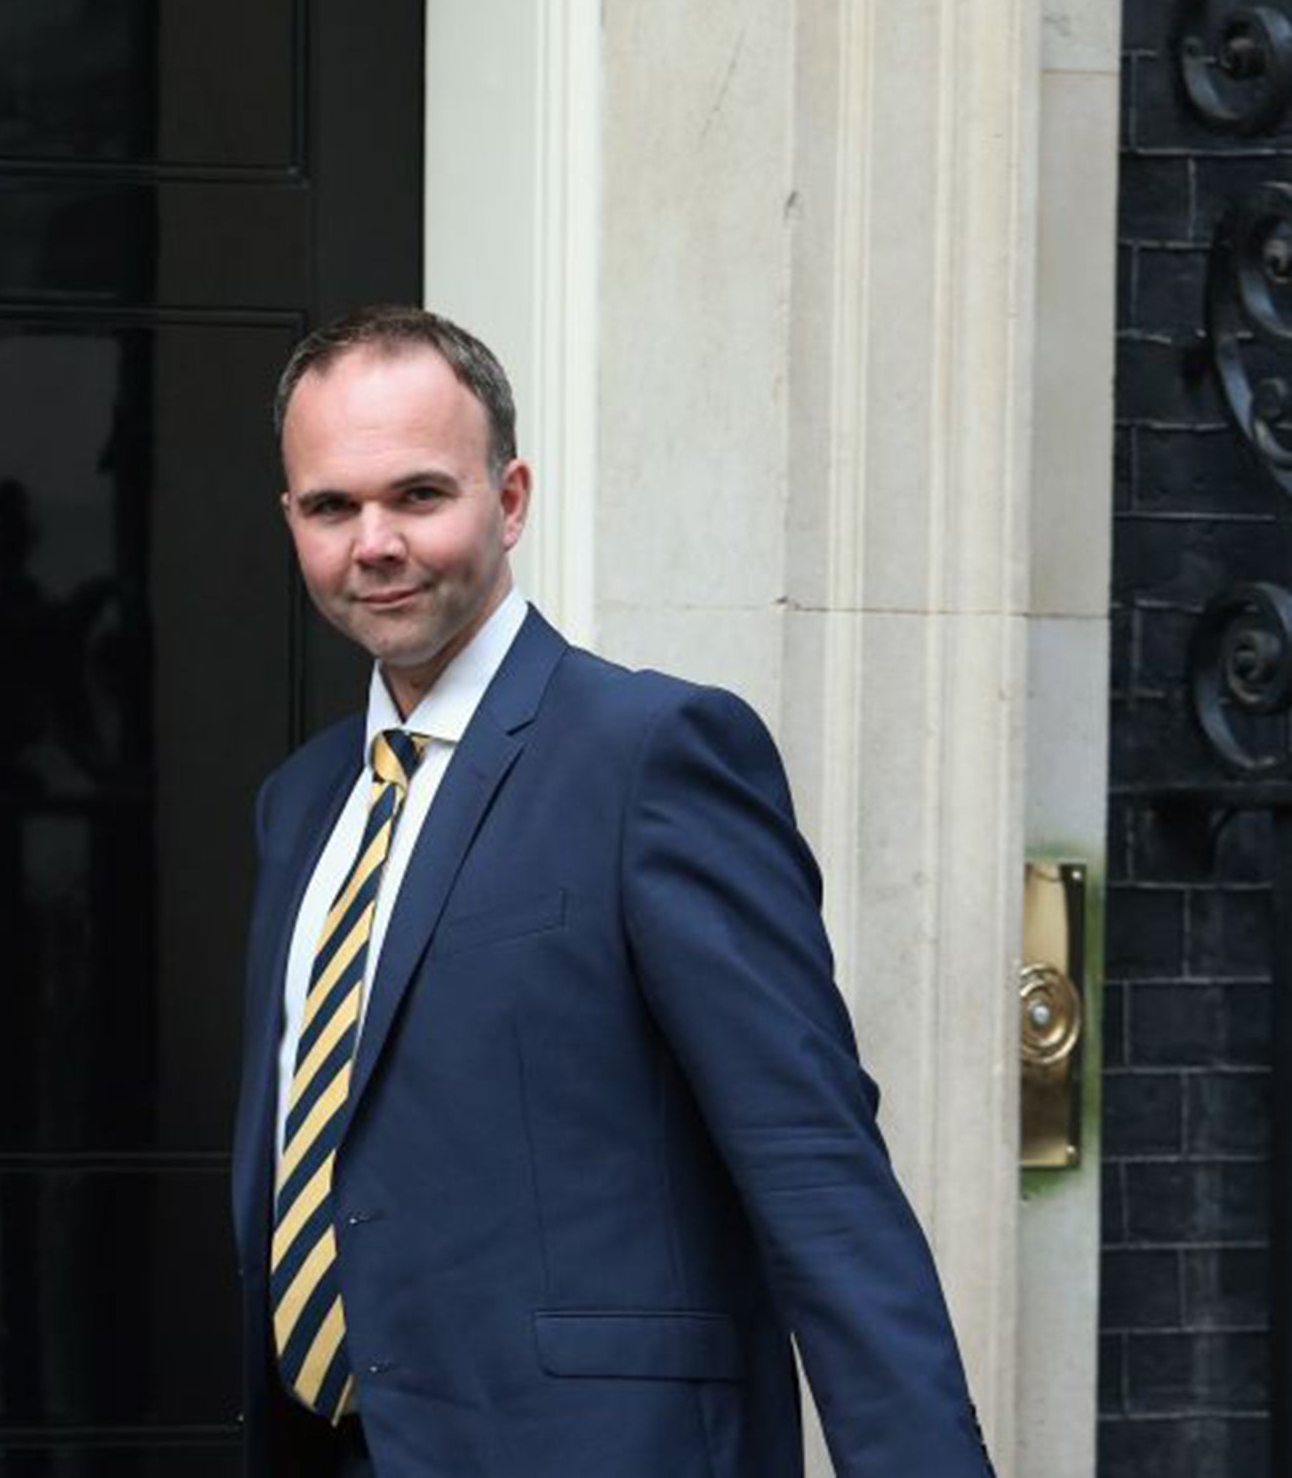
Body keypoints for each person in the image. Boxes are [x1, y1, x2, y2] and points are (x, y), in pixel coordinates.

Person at [229, 306, 993, 1476]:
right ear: (291, 521)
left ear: (511, 498)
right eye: (331, 506)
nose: (371, 542)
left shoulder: (653, 754)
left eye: (418, 495)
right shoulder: (300, 804)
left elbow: (812, 1165)